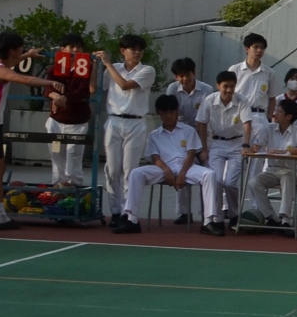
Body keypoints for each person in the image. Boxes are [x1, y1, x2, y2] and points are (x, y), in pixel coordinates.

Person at [0, 31, 61, 232]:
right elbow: (24, 80)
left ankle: (1, 216)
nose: (22, 51)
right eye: (20, 48)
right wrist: (50, 82)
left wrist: (29, 54)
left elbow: (14, 62)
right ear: (12, 50)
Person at [117, 94, 219, 235]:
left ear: (177, 111)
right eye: (164, 112)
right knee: (136, 173)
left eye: (172, 111)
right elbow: (155, 157)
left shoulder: (188, 130)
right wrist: (166, 170)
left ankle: (209, 221)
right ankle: (131, 218)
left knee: (210, 174)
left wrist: (182, 174)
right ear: (158, 112)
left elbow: (191, 154)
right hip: (162, 168)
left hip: (187, 167)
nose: (168, 115)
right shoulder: (154, 135)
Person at [96, 35, 156, 220]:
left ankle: (128, 213)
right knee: (112, 169)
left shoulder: (147, 70)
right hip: (114, 120)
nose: (137, 52)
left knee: (130, 171)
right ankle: (115, 211)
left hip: (135, 122)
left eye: (140, 49)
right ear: (123, 51)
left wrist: (107, 64)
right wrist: (95, 65)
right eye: (133, 49)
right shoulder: (113, 68)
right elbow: (95, 88)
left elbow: (124, 85)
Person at [160, 58, 217, 226]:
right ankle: (184, 212)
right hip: (181, 136)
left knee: (206, 174)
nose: (184, 79)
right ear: (176, 77)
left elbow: (206, 118)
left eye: (187, 75)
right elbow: (171, 113)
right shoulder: (172, 89)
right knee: (181, 171)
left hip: (201, 133)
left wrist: (204, 147)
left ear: (194, 73)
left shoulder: (206, 90)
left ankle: (207, 213)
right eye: (180, 76)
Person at [249, 96, 297, 231]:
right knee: (254, 182)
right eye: (275, 111)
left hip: (294, 171)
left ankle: (285, 219)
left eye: (279, 112)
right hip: (272, 170)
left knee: (287, 177)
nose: (275, 114)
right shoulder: (269, 128)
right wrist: (255, 147)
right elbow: (257, 146)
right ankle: (271, 217)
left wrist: (285, 152)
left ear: (289, 116)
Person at [200, 69, 250, 226]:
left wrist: (246, 145)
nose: (229, 90)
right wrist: (204, 148)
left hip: (237, 144)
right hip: (217, 144)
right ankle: (218, 218)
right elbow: (201, 123)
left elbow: (247, 124)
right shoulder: (209, 100)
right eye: (225, 86)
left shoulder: (242, 100)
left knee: (230, 183)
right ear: (218, 86)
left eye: (232, 86)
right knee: (216, 181)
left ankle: (234, 214)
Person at [46, 32, 95, 188]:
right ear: (63, 49)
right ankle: (57, 188)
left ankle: (75, 188)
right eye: (71, 47)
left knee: (74, 156)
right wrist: (55, 96)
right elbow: (47, 87)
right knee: (56, 155)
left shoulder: (86, 67)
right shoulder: (55, 67)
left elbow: (84, 91)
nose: (75, 50)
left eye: (78, 47)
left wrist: (65, 98)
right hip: (56, 120)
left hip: (77, 121)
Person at [228, 34, 272, 122]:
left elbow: (272, 97)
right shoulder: (235, 69)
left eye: (262, 48)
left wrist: (269, 118)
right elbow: (228, 93)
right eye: (255, 47)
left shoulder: (269, 72)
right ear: (247, 49)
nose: (259, 50)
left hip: (259, 116)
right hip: (238, 113)